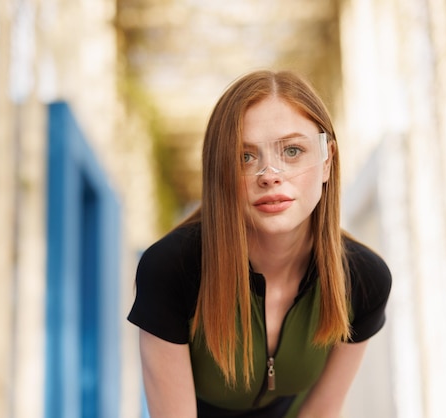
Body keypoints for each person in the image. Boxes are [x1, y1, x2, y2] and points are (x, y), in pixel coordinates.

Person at [128, 70, 392, 418]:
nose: (270, 174)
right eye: (245, 157)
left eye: (293, 150)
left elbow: (321, 412)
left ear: (327, 160)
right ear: (219, 172)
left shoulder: (363, 279)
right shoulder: (170, 269)